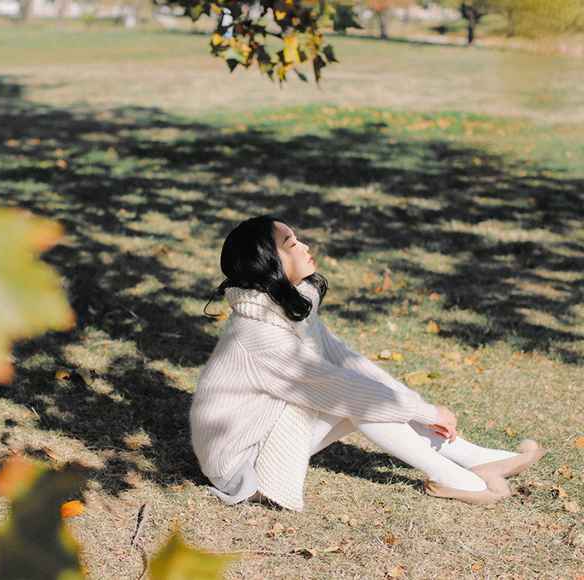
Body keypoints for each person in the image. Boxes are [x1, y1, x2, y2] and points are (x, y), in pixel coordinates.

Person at [189, 215, 546, 512]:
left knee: (360, 391)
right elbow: (342, 388)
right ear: (270, 264)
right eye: (291, 244)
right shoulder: (257, 335)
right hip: (240, 467)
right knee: (357, 401)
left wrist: (420, 407)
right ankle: (457, 479)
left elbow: (347, 361)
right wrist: (425, 412)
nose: (305, 247)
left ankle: (473, 458)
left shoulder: (287, 309)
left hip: (266, 432)